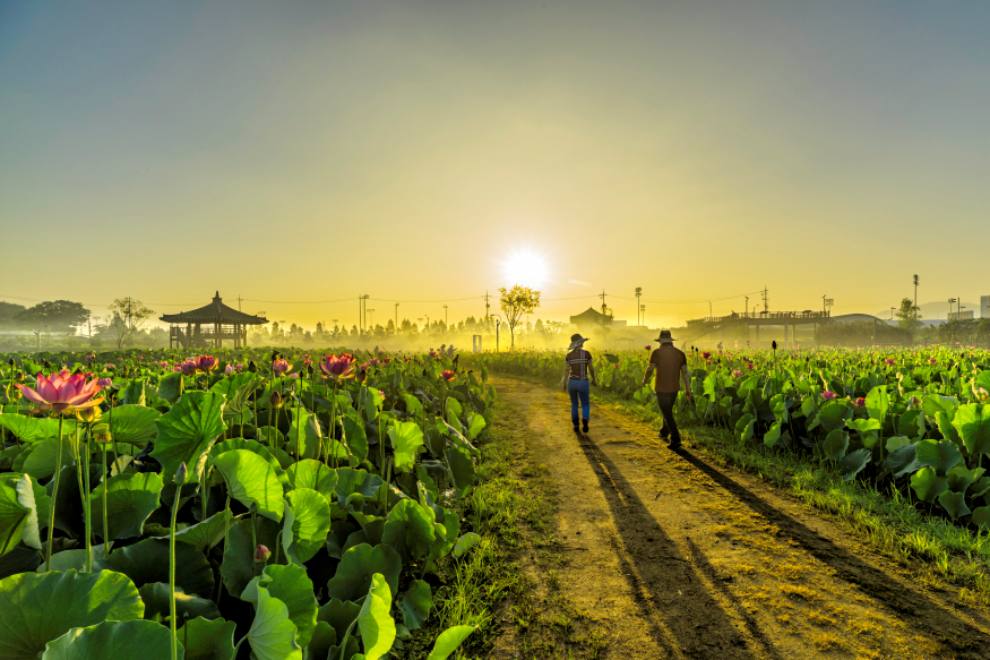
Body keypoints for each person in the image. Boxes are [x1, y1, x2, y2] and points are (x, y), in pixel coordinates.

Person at [642, 329, 693, 449]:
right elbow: (685, 373)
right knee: (667, 410)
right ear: (671, 341)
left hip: (661, 388)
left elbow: (650, 369)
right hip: (674, 389)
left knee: (667, 413)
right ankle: (664, 431)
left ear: (660, 341)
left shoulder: (656, 353)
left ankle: (676, 439)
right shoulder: (680, 354)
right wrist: (688, 390)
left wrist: (645, 380)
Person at [561, 333, 597, 433]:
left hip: (572, 382)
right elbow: (591, 368)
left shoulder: (569, 356)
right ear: (580, 343)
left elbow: (566, 370)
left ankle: (576, 425)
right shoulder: (587, 354)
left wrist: (564, 384)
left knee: (574, 404)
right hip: (583, 382)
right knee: (585, 403)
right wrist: (594, 379)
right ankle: (585, 419)